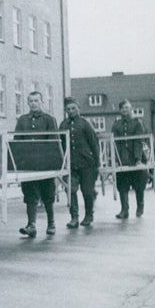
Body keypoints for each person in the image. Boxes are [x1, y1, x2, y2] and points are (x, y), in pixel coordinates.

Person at [14, 91, 59, 236]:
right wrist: (19, 163)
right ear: (28, 103)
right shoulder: (22, 120)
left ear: (42, 102)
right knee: (30, 194)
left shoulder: (49, 120)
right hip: (28, 165)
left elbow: (54, 142)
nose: (33, 103)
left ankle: (51, 223)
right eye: (31, 101)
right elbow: (17, 142)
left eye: (36, 101)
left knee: (48, 193)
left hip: (44, 164)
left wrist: (54, 164)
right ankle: (31, 225)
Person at [59, 97, 100, 228]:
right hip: (70, 164)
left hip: (87, 163)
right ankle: (74, 217)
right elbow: (60, 145)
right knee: (70, 190)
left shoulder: (85, 124)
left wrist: (97, 163)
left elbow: (94, 144)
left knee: (87, 191)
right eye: (68, 109)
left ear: (78, 109)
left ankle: (89, 215)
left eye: (73, 109)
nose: (71, 111)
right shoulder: (63, 125)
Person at [112, 100, 148, 219]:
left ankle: (140, 206)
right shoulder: (116, 124)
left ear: (131, 108)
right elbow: (115, 143)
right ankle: (124, 210)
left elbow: (139, 141)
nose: (124, 110)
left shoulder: (137, 123)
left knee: (139, 184)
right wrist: (116, 159)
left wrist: (138, 159)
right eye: (122, 108)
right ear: (120, 110)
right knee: (122, 184)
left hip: (135, 157)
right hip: (122, 158)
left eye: (127, 107)